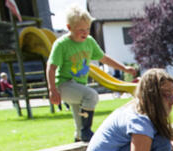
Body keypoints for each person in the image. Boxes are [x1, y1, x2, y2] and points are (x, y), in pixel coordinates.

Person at [47, 5, 136, 142]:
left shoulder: (89, 42)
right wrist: (52, 90)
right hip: (64, 85)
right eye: (80, 30)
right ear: (69, 28)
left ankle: (81, 137)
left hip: (78, 86)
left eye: (87, 29)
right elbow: (51, 67)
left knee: (79, 125)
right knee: (91, 95)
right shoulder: (61, 44)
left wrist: (124, 68)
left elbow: (104, 58)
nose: (85, 33)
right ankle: (87, 131)